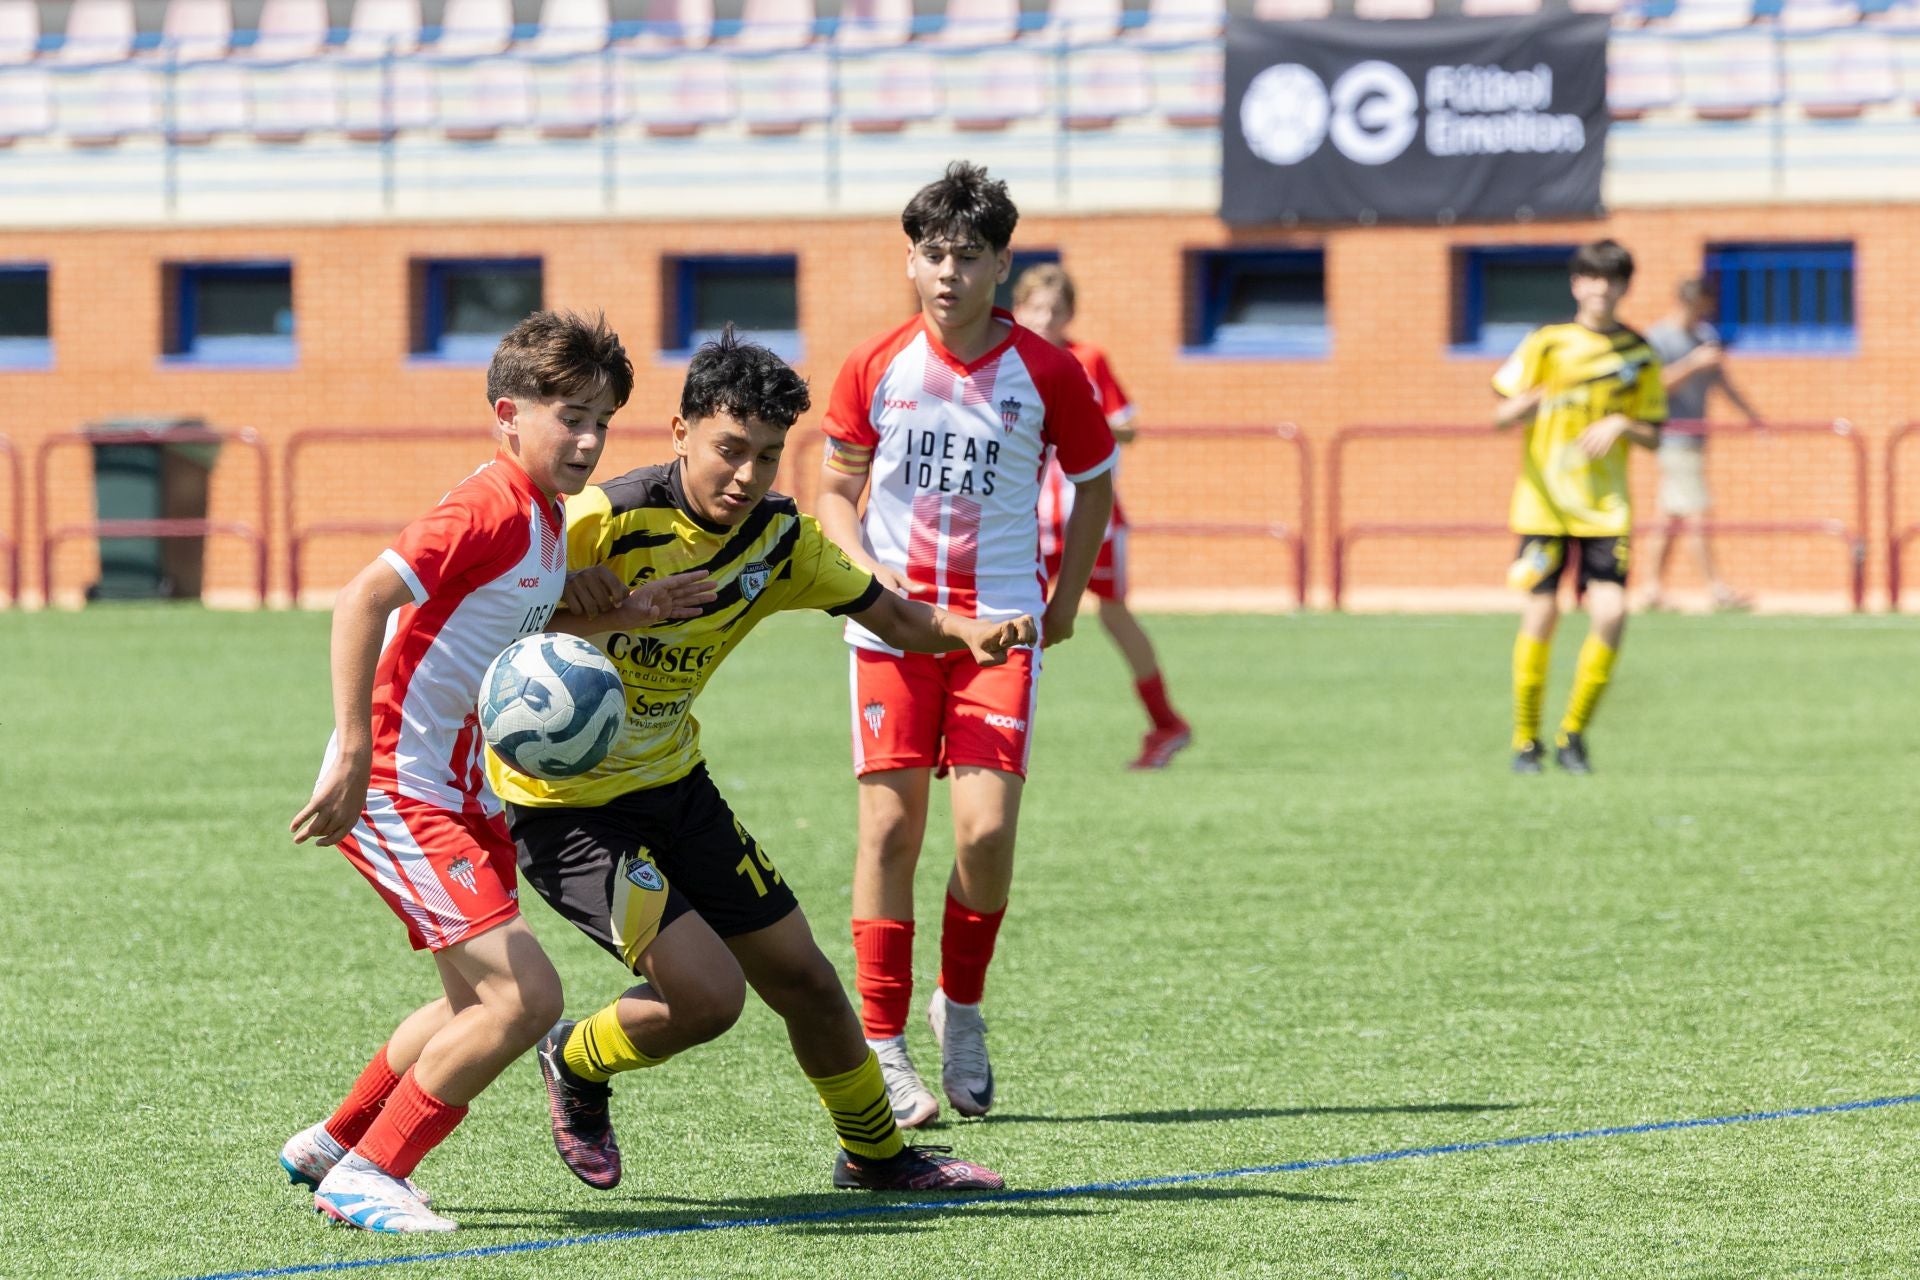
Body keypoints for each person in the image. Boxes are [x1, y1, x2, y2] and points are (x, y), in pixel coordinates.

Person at [493, 330, 1018, 1194]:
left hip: (675, 786)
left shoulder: (778, 543)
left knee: (806, 980)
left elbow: (895, 619)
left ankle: (876, 1156)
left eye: (768, 457)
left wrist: (968, 632)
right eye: (729, 450)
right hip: (565, 810)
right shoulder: (599, 520)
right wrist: (576, 601)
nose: (746, 476)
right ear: (679, 432)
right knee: (709, 1000)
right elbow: (506, 622)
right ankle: (577, 1060)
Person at [280, 311, 714, 1234]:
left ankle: (334, 1141)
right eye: (571, 416)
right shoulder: (487, 503)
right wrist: (354, 751)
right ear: (508, 414)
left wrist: (629, 609)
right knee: (527, 999)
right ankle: (372, 1173)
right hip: (401, 783)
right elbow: (364, 596)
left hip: (463, 789)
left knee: (472, 1001)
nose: (589, 440)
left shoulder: (545, 519)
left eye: (602, 420)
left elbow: (509, 628)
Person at [814, 162, 1117, 1127]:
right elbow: (831, 491)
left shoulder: (1049, 372)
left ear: (1002, 264)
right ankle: (883, 1043)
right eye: (933, 254)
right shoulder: (873, 366)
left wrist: (1064, 603)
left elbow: (1097, 483)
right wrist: (866, 572)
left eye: (969, 255)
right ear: (911, 262)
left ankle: (965, 1007)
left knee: (984, 834)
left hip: (1000, 633)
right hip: (891, 631)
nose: (949, 272)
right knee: (890, 832)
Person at [1493, 240, 1667, 777]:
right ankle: (1526, 740)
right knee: (1541, 615)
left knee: (1612, 613)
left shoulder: (1639, 354)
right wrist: (1519, 408)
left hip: (1605, 508)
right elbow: (1501, 414)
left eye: (1611, 279)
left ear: (1623, 287)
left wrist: (1622, 424)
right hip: (1544, 506)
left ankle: (1573, 735)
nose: (1600, 288)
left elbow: (1656, 434)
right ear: (1575, 285)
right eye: (1590, 278)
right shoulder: (1548, 343)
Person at [1010, 263, 1191, 771]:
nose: (1046, 319)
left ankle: (1165, 722)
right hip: (1021, 518)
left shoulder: (1087, 359)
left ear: (1070, 315)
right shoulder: (1004, 362)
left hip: (1089, 515)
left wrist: (1108, 425)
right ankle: (984, 726)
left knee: (1113, 613)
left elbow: (1126, 424)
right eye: (1037, 308)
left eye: (1057, 310)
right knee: (1011, 612)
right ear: (1019, 309)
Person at [1642, 277, 1762, 612]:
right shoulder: (1659, 338)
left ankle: (1651, 587)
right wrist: (1692, 364)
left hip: (1696, 436)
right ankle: (1715, 588)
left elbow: (1723, 383)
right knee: (1696, 512)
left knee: (1668, 517)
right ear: (1686, 303)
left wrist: (1753, 417)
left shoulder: (1704, 336)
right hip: (1672, 436)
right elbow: (1653, 389)